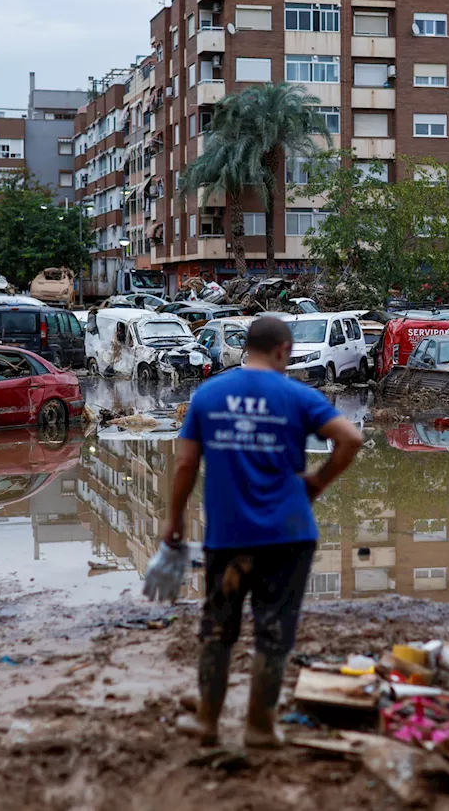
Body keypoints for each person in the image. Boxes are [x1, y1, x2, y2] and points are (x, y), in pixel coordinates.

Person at [166, 317, 363, 748]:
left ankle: (207, 722)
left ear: (246, 347)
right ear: (282, 350)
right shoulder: (297, 396)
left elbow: (184, 465)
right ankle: (259, 727)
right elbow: (350, 438)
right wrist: (317, 482)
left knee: (219, 630)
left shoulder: (209, 395)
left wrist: (174, 519)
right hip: (289, 535)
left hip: (229, 537)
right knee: (273, 633)